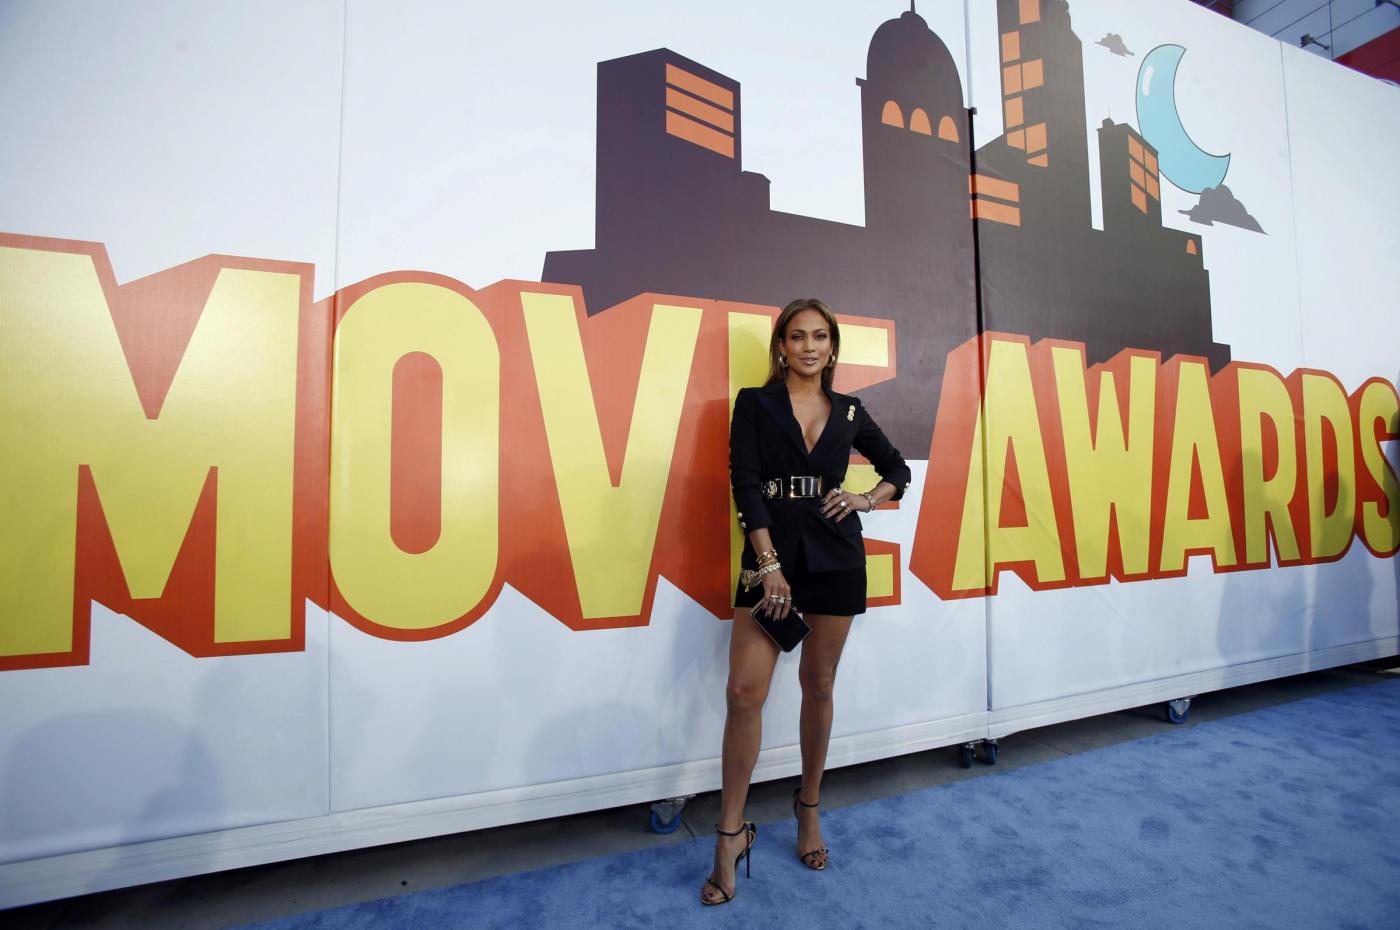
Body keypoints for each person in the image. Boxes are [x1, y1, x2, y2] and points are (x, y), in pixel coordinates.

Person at [700, 298, 911, 906]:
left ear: (832, 346)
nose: (809, 346)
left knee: (819, 685)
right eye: (797, 337)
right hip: (771, 557)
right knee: (744, 693)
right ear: (782, 347)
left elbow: (897, 470)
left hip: (837, 557)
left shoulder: (850, 410)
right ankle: (730, 834)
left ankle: (809, 806)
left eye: (820, 336)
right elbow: (744, 483)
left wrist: (864, 500)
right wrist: (768, 566)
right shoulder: (755, 403)